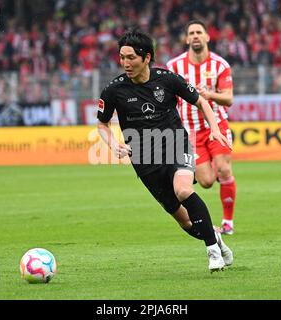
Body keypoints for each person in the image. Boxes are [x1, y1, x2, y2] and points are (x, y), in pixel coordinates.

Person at [97, 29, 233, 272]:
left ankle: (212, 251)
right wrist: (112, 142)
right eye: (122, 57)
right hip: (143, 157)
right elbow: (102, 123)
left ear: (146, 57)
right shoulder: (113, 90)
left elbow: (201, 101)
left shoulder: (167, 80)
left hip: (174, 143)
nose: (125, 63)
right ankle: (215, 237)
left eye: (131, 58)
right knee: (184, 221)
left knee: (183, 189)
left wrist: (214, 128)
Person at [167, 20, 237, 235]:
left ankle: (228, 222)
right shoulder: (174, 66)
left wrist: (209, 95)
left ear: (207, 37)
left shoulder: (220, 65)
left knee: (224, 169)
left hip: (216, 125)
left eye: (199, 32)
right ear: (187, 39)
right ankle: (215, 169)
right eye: (191, 33)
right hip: (190, 131)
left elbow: (229, 99)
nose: (195, 36)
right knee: (206, 182)